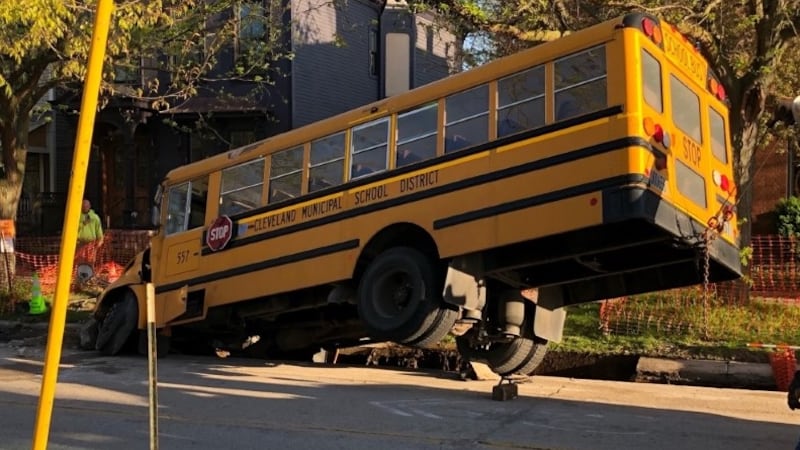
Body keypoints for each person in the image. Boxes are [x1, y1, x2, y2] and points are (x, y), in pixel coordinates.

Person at [77, 199, 104, 266]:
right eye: (83, 206)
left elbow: (98, 229)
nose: (85, 207)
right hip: (80, 242)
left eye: (86, 206)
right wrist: (83, 223)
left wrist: (100, 239)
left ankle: (91, 275)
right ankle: (81, 275)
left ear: (89, 206)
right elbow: (74, 228)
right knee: (81, 260)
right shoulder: (77, 217)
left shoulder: (95, 217)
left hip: (91, 243)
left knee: (91, 260)